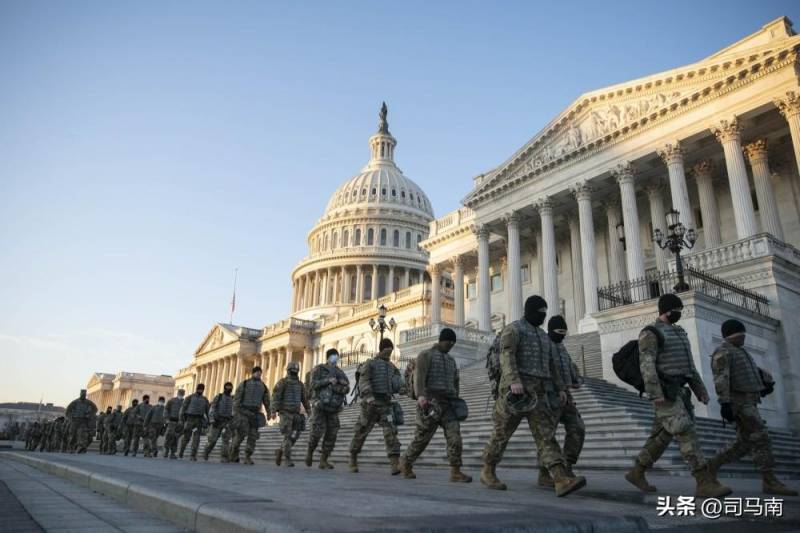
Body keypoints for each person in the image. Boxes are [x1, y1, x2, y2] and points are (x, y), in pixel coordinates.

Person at [625, 293, 731, 498]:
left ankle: (637, 471)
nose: (679, 313)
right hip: (665, 393)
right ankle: (703, 481)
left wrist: (699, 389)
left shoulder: (679, 333)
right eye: (677, 310)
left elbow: (689, 365)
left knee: (662, 436)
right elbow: (646, 364)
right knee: (685, 431)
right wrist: (654, 392)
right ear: (666, 310)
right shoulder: (650, 333)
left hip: (680, 392)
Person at [481, 296, 585, 497]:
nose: (543, 316)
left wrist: (561, 388)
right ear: (530, 311)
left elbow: (552, 365)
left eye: (545, 313)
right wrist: (514, 380)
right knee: (502, 433)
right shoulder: (514, 330)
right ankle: (488, 469)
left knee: (546, 436)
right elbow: (507, 357)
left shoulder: (544, 337)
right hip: (515, 393)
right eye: (540, 312)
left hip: (539, 393)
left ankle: (560, 478)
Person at [706, 319, 797, 496]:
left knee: (744, 443)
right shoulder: (723, 352)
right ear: (732, 334)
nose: (744, 337)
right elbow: (721, 379)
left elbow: (750, 373)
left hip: (750, 401)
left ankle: (712, 465)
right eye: (741, 334)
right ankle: (769, 480)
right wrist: (725, 403)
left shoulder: (741, 351)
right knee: (761, 437)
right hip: (739, 404)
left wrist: (763, 386)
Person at [400, 328, 472, 482]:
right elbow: (419, 376)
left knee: (455, 437)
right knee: (422, 438)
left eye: (453, 343)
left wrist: (456, 398)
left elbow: (455, 382)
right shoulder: (426, 355)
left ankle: (456, 471)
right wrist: (420, 396)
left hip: (448, 405)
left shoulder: (451, 360)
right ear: (442, 340)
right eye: (449, 342)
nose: (451, 345)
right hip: (430, 403)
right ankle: (406, 462)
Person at [537, 315, 585, 488]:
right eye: (559, 332)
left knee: (578, 427)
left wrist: (577, 380)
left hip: (566, 396)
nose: (562, 336)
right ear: (550, 331)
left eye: (565, 333)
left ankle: (567, 466)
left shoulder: (562, 347)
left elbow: (571, 366)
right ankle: (544, 473)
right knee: (548, 436)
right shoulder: (543, 346)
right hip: (549, 396)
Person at [349, 338, 404, 475]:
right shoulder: (370, 364)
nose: (389, 353)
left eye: (391, 350)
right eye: (387, 349)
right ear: (382, 349)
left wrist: (403, 387)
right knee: (361, 431)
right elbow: (364, 380)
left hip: (386, 404)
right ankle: (353, 458)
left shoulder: (392, 367)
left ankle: (394, 463)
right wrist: (368, 396)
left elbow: (398, 383)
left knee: (391, 432)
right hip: (371, 404)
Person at [306, 348, 350, 469]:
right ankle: (310, 451)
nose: (336, 358)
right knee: (316, 433)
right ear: (329, 357)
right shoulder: (319, 369)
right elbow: (312, 384)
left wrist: (338, 387)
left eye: (337, 356)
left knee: (332, 434)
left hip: (334, 407)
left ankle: (323, 460)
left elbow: (346, 387)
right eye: (334, 356)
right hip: (320, 405)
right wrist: (328, 381)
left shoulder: (340, 372)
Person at [230, 366, 273, 465]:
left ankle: (247, 457)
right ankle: (233, 453)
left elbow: (266, 401)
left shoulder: (263, 386)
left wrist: (269, 412)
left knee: (253, 436)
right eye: (257, 372)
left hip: (255, 414)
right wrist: (235, 413)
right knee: (240, 436)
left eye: (260, 373)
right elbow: (237, 399)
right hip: (243, 413)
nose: (258, 374)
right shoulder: (244, 384)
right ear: (253, 373)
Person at [273, 362, 310, 467]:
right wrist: (273, 411)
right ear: (289, 371)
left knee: (295, 435)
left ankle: (280, 450)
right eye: (292, 370)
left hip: (296, 414)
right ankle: (287, 459)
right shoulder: (282, 382)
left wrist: (309, 411)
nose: (294, 372)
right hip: (285, 413)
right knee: (288, 435)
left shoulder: (300, 384)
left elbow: (305, 399)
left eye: (296, 370)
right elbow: (276, 397)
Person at [204, 383, 234, 462]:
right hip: (217, 421)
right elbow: (212, 408)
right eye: (227, 387)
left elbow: (234, 411)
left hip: (227, 422)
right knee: (212, 440)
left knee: (226, 441)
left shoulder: (232, 399)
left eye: (230, 388)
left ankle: (224, 457)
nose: (229, 389)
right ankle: (206, 452)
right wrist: (212, 420)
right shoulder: (219, 397)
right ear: (224, 388)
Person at [179, 384, 210, 461]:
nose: (200, 390)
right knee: (186, 438)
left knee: (196, 439)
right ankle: (181, 451)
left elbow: (208, 411)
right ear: (196, 389)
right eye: (199, 389)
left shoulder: (205, 399)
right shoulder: (189, 398)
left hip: (199, 421)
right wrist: (181, 420)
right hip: (190, 419)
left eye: (202, 389)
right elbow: (183, 409)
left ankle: (193, 455)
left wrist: (209, 421)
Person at [65, 389, 98, 454]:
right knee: (73, 435)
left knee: (83, 435)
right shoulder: (75, 402)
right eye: (82, 394)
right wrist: (70, 418)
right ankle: (71, 447)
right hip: (75, 421)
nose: (83, 396)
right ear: (80, 394)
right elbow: (67, 411)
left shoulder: (88, 402)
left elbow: (95, 409)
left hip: (83, 421)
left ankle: (81, 448)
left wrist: (89, 414)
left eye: (84, 395)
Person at [163, 389, 185, 459]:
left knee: (176, 438)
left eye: (182, 393)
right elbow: (166, 410)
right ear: (178, 393)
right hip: (171, 421)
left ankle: (172, 453)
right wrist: (166, 419)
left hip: (179, 422)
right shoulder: (171, 401)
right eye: (180, 393)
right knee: (168, 437)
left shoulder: (184, 402)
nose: (181, 394)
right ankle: (166, 450)